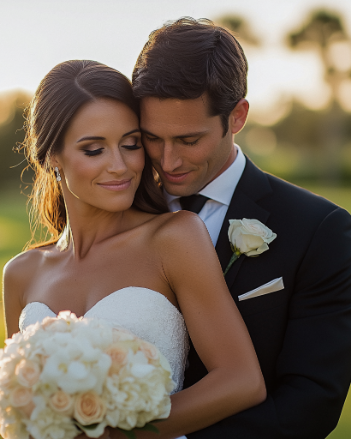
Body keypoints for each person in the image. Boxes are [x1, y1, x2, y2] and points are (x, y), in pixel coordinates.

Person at [2, 60, 266, 439]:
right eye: (94, 150)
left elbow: (241, 381)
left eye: (131, 144)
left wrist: (120, 433)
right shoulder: (20, 273)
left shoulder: (174, 239)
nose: (120, 166)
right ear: (52, 157)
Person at [132, 17, 351, 439]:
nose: (167, 160)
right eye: (151, 138)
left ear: (237, 116)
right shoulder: (120, 212)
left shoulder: (321, 230)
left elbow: (311, 402)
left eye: (188, 140)